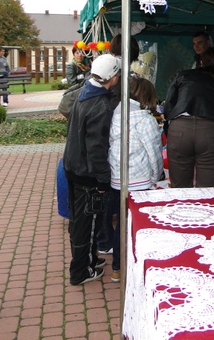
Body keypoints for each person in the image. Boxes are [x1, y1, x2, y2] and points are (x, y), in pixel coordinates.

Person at [63, 54, 121, 285]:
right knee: (87, 223)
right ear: (113, 78)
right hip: (87, 173)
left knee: (80, 220)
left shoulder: (84, 92)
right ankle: (81, 270)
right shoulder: (101, 106)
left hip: (73, 165)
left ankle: (89, 259)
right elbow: (97, 148)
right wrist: (103, 180)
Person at [107, 76, 163, 282]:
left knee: (121, 225)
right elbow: (154, 152)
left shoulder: (116, 114)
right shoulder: (145, 120)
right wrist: (156, 176)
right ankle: (141, 266)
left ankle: (117, 267)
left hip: (117, 177)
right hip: (140, 180)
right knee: (141, 224)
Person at [164, 47, 214, 188]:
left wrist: (171, 128)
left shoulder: (184, 76)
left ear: (201, 61)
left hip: (180, 129)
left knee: (179, 189)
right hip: (212, 132)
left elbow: (168, 107)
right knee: (208, 191)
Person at [96, 34, 140, 255]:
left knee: (108, 193)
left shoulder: (106, 65)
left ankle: (104, 239)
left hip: (103, 134)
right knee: (109, 192)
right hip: (111, 134)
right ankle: (106, 240)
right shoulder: (119, 71)